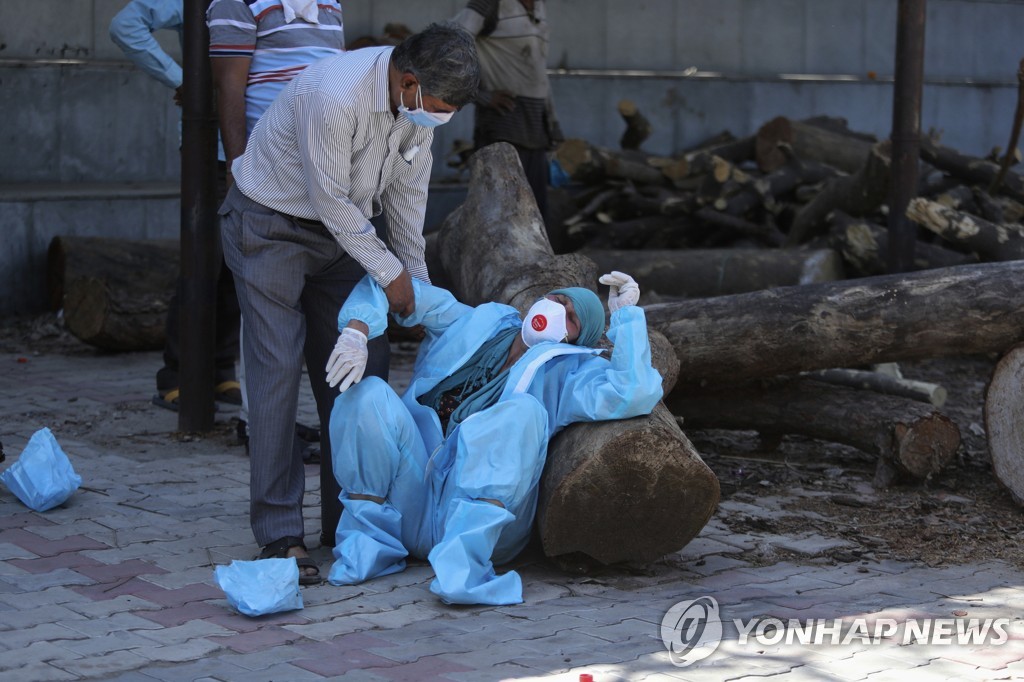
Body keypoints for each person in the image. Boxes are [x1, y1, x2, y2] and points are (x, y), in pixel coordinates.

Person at [218, 23, 480, 585]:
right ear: (408, 82)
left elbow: (408, 203)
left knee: (363, 371)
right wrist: (389, 273)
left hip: (347, 237)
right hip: (271, 224)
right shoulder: (335, 95)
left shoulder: (416, 114)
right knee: (276, 371)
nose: (440, 118)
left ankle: (353, 521)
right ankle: (280, 533)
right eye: (437, 107)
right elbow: (329, 197)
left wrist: (416, 289)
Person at [323, 271, 662, 605]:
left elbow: (633, 391)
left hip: (484, 531)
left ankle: (463, 569)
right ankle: (369, 545)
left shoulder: (570, 373)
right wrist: (357, 329)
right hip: (413, 502)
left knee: (521, 410)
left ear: (576, 339)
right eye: (557, 300)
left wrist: (627, 318)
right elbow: (396, 288)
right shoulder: (474, 322)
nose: (557, 311)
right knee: (367, 395)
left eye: (571, 318)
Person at [206, 0, 347, 458]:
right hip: (263, 173)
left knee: (302, 317)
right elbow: (229, 85)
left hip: (320, 172)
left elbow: (335, 81)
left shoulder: (330, 5)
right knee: (264, 314)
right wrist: (237, 163)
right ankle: (259, 424)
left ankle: (281, 422)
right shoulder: (236, 3)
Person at [110, 0, 242, 411]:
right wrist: (184, 80)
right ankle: (179, 373)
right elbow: (125, 24)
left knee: (239, 263)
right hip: (212, 147)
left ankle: (221, 370)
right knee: (204, 260)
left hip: (259, 147)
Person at [453, 0, 563, 222]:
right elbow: (449, 42)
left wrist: (552, 121)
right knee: (499, 214)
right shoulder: (490, 4)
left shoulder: (539, 8)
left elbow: (538, 70)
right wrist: (479, 95)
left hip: (535, 127)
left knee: (535, 216)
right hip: (502, 124)